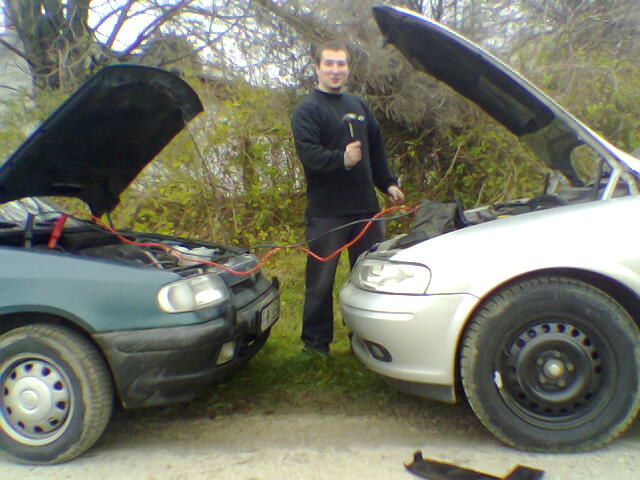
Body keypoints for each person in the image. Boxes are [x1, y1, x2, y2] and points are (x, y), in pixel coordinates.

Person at [291, 40, 404, 355]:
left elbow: (376, 149)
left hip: (366, 209)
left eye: (341, 64)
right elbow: (309, 155)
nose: (335, 70)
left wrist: (387, 183)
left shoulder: (358, 105)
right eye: (329, 63)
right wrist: (342, 160)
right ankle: (316, 345)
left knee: (371, 277)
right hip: (327, 212)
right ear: (317, 68)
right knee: (320, 282)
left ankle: (365, 340)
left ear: (348, 69)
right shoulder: (308, 109)